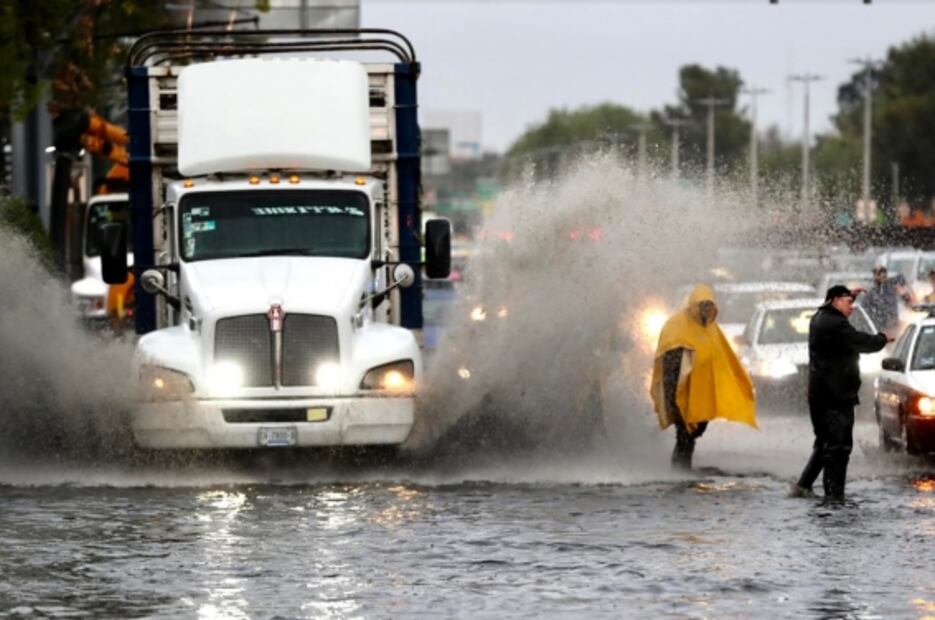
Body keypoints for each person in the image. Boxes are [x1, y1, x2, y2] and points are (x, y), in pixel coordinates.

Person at [791, 285, 892, 501]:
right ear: (836, 301)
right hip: (835, 397)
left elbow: (836, 301)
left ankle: (803, 487)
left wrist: (850, 294)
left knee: (824, 444)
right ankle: (835, 499)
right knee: (837, 448)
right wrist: (882, 338)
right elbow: (862, 342)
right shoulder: (834, 324)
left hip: (821, 395)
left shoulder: (821, 317)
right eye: (849, 302)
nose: (852, 307)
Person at [650, 284, 757, 470]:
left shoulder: (710, 327)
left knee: (694, 431)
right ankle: (680, 471)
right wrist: (673, 396)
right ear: (694, 305)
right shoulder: (676, 326)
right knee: (684, 433)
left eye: (710, 306)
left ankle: (682, 469)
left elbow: (723, 356)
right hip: (681, 391)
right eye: (703, 305)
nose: (707, 310)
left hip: (701, 392)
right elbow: (668, 359)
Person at [862, 265, 912, 332]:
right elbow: (865, 307)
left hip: (893, 323)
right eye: (878, 274)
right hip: (880, 325)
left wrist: (905, 295)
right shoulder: (872, 292)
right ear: (874, 276)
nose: (881, 276)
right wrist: (874, 318)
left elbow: (902, 279)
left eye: (882, 273)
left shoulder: (891, 285)